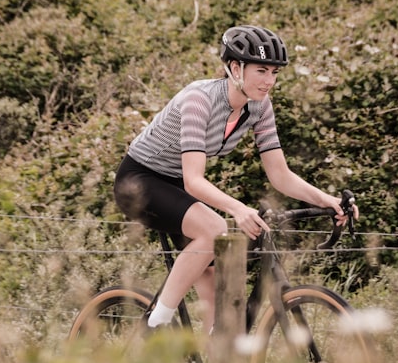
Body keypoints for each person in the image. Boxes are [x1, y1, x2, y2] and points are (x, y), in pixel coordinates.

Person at [113, 25, 357, 333]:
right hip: (138, 180)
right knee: (214, 228)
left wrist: (327, 200)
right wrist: (238, 209)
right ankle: (154, 325)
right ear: (234, 67)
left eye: (275, 72)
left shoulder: (259, 107)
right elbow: (194, 181)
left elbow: (279, 174)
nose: (269, 81)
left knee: (220, 301)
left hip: (172, 184)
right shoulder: (199, 99)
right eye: (261, 71)